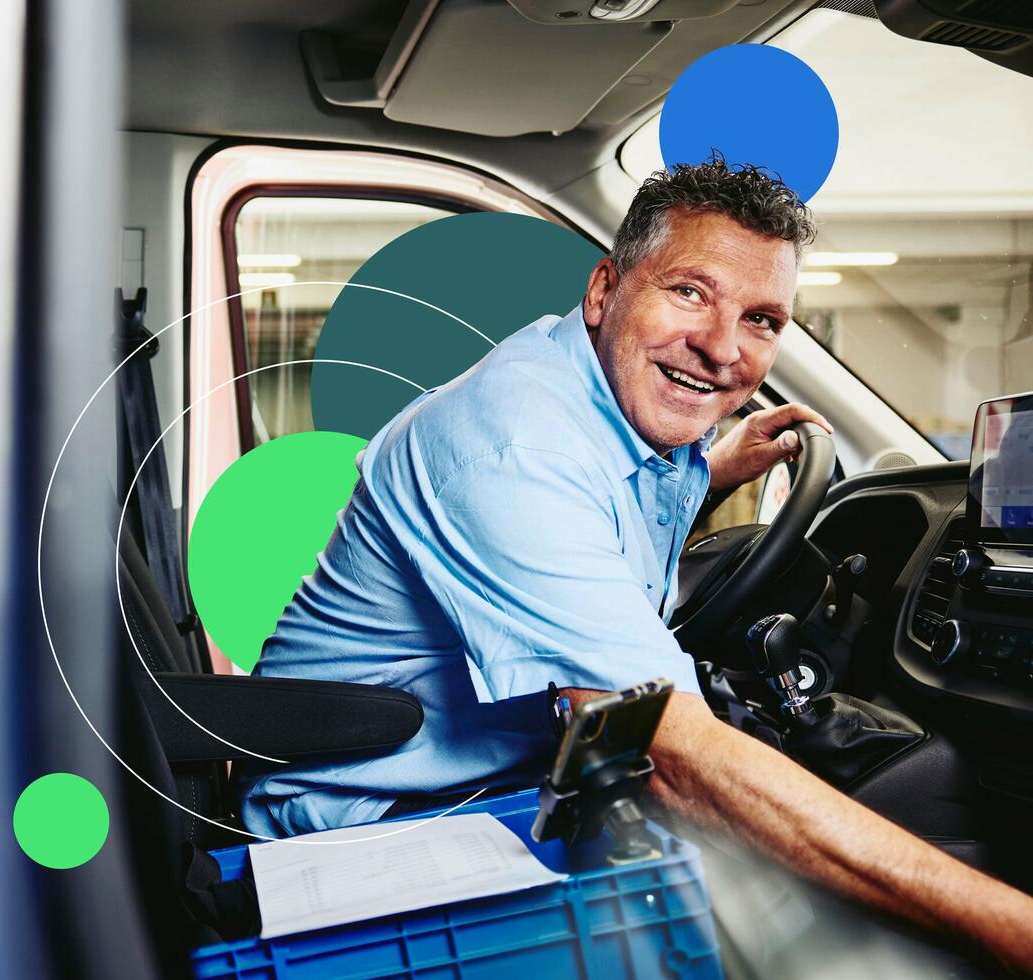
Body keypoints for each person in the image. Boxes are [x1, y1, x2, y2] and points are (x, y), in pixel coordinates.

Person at [240, 159, 1033, 971]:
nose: (722, 347)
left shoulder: (593, 408)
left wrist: (714, 470)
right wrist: (1012, 929)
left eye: (760, 319)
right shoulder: (510, 448)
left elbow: (594, 518)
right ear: (602, 290)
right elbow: (671, 761)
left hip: (471, 783)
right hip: (361, 827)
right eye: (688, 292)